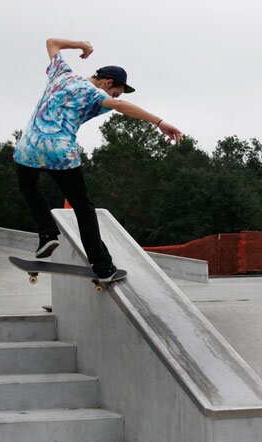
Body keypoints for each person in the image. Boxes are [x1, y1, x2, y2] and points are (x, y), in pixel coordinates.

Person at [13, 37, 182, 282]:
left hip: (27, 146)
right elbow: (120, 105)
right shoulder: (95, 94)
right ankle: (103, 266)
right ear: (108, 82)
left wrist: (82, 45)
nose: (112, 98)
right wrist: (159, 122)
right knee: (82, 206)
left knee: (27, 186)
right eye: (114, 91)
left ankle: (47, 234)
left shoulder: (62, 73)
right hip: (61, 152)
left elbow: (51, 43)